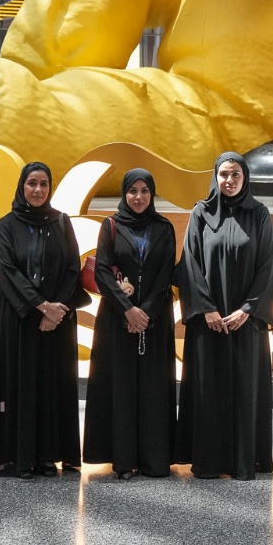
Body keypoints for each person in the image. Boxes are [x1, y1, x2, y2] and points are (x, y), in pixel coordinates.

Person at [0, 162, 87, 478]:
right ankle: (21, 457)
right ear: (22, 186)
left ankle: (48, 456)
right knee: (21, 385)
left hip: (56, 322)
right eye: (32, 183)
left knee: (52, 385)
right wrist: (41, 306)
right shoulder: (7, 224)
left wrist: (56, 310)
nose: (38, 190)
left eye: (43, 184)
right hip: (19, 318)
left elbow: (72, 268)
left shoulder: (61, 222)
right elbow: (7, 269)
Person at [175, 152, 273, 480]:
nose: (229, 181)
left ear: (245, 178)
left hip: (246, 323)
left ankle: (245, 461)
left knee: (245, 391)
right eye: (224, 174)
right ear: (215, 177)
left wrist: (248, 309)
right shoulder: (200, 213)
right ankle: (208, 461)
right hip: (209, 323)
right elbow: (190, 263)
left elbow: (266, 265)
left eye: (235, 174)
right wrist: (207, 309)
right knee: (209, 391)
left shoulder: (259, 214)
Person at [83, 169, 178, 479]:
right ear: (124, 193)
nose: (138, 197)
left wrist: (144, 313)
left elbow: (165, 273)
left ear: (152, 194)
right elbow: (102, 272)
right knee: (121, 388)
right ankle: (123, 460)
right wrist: (128, 311)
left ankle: (153, 460)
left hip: (154, 320)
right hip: (117, 319)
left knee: (152, 389)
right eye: (133, 191)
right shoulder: (111, 225)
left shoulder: (163, 227)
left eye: (144, 191)